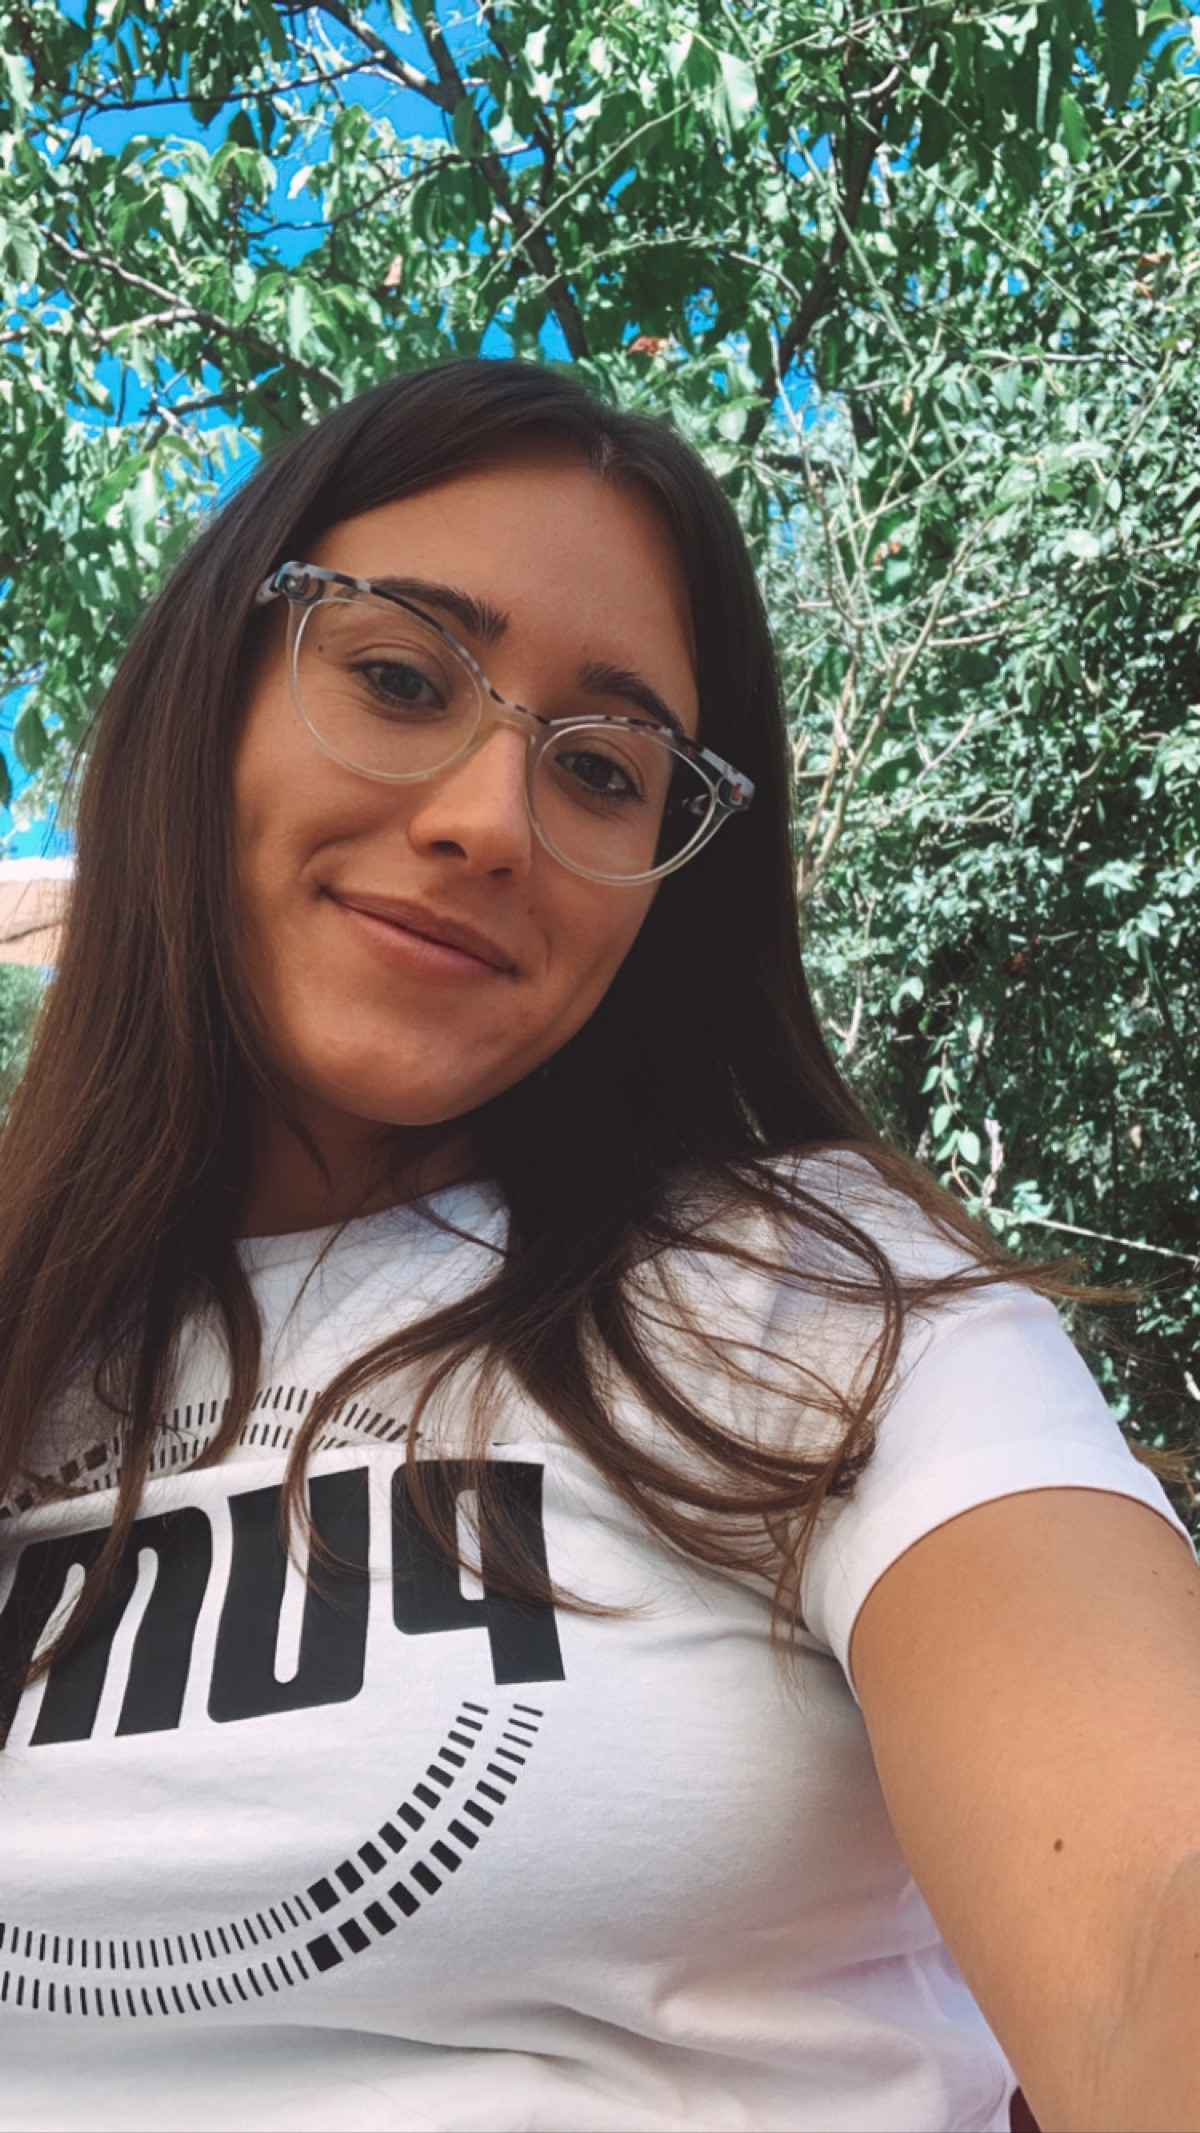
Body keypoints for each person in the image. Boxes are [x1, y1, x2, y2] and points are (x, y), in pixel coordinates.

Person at [0, 359, 1195, 2133]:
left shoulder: (816, 1301)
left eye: (602, 771)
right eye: (401, 679)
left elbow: (1148, 1912)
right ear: (206, 694)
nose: (492, 820)